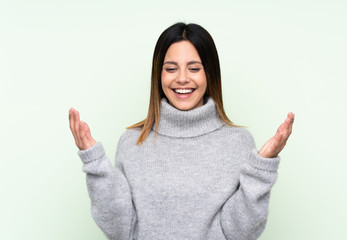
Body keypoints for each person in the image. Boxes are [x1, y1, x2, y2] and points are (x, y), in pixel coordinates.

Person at [69, 22, 294, 240]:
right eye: (171, 69)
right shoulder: (132, 142)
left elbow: (240, 234)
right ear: (159, 74)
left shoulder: (238, 142)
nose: (182, 78)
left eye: (194, 68)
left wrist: (262, 166)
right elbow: (120, 230)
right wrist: (95, 163)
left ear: (210, 74)